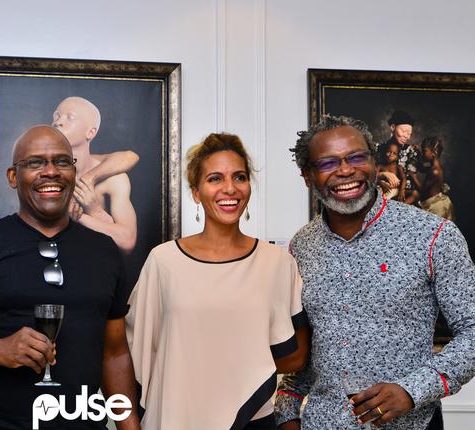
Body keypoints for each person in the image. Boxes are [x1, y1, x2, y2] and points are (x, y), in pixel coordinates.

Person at [0, 125, 140, 430]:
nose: (51, 171)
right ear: (12, 177)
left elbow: (114, 354)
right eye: (35, 163)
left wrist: (131, 429)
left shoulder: (104, 251)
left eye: (62, 161)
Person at [275, 115, 475, 429]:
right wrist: (286, 412)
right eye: (328, 163)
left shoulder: (434, 234)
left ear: (373, 162)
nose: (345, 170)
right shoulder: (301, 246)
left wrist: (413, 391)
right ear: (307, 176)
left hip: (413, 424)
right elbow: (307, 350)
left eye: (356, 157)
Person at [127, 132, 310, 430]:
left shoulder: (276, 262)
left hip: (250, 417)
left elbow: (297, 355)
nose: (230, 188)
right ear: (196, 192)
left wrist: (226, 368)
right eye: (215, 179)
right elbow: (135, 350)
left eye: (239, 177)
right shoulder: (163, 261)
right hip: (178, 413)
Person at [52, 96, 138, 253]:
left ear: (90, 132)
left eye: (69, 117)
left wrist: (89, 213)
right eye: (56, 117)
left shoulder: (114, 179)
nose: (58, 122)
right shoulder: (43, 173)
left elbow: (127, 243)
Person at [383, 110, 421, 204]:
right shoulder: (380, 148)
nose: (407, 136)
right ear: (392, 127)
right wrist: (382, 177)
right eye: (404, 131)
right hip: (385, 192)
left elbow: (411, 178)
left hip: (404, 196)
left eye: (409, 133)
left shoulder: (411, 151)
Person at [418, 136, 454, 221]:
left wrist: (412, 176)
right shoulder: (433, 166)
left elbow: (422, 190)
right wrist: (418, 154)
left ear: (433, 153)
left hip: (434, 205)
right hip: (434, 201)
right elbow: (422, 168)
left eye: (424, 151)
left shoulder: (435, 171)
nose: (422, 153)